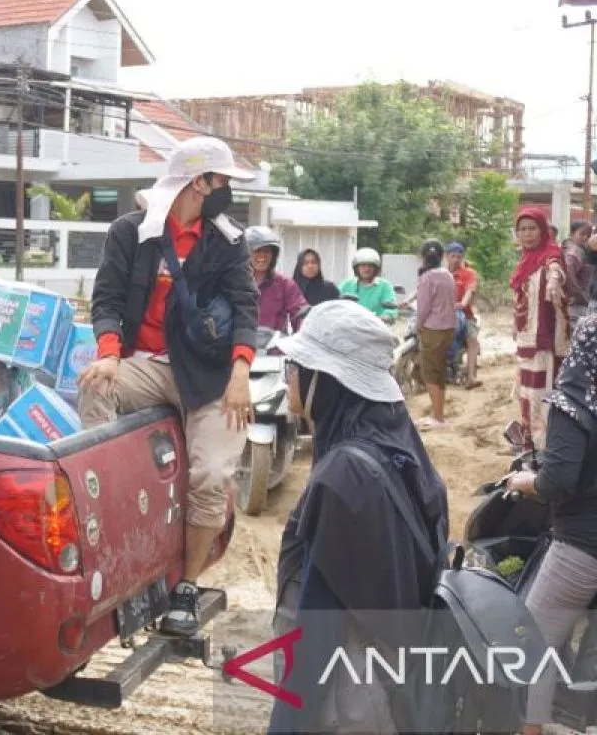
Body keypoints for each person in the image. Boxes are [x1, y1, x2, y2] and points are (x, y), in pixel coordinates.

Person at [78, 135, 259, 637]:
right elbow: (107, 299)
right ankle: (109, 519)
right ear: (199, 182)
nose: (227, 190)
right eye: (222, 181)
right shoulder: (131, 232)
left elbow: (246, 308)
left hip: (211, 375)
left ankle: (188, 585)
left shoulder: (228, 241)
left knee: (210, 475)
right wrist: (109, 354)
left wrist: (241, 371)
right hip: (147, 365)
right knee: (95, 387)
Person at [267, 299, 450, 733]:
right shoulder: (398, 442)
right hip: (397, 687)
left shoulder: (344, 476)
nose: (288, 377)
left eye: (295, 366)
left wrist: (285, 725)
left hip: (352, 705)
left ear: (325, 380)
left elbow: (316, 631)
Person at [504, 314, 597, 735]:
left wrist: (524, 481)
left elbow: (557, 481)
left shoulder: (574, 402)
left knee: (531, 642)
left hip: (582, 546)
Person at [511, 206, 570, 450]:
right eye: (522, 229)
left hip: (544, 340)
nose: (527, 234)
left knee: (541, 393)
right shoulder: (525, 260)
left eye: (532, 228)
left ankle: (544, 447)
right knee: (527, 393)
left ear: (542, 230)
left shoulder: (550, 253)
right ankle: (530, 442)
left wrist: (554, 281)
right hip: (526, 339)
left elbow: (556, 268)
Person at [414, 239, 456, 429]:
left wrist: (418, 326)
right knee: (440, 372)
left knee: (430, 373)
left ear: (422, 257)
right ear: (442, 256)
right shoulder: (447, 275)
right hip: (448, 329)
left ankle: (438, 418)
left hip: (432, 330)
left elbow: (423, 308)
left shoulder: (426, 278)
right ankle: (440, 415)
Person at [245, 225, 307, 333]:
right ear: (246, 253)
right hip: (241, 342)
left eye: (267, 251)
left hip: (274, 342)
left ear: (273, 255)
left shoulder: (285, 284)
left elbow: (300, 313)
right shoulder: (236, 283)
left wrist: (304, 329)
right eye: (257, 251)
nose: (262, 256)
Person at [445, 241, 482, 390]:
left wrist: (462, 303)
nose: (455, 259)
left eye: (458, 256)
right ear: (446, 257)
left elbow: (470, 290)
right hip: (441, 314)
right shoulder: (440, 273)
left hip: (464, 315)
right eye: (452, 256)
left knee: (472, 339)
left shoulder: (469, 273)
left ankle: (471, 377)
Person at [339, 247, 398, 323]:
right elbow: (334, 304)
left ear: (376, 268)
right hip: (349, 325)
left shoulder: (384, 286)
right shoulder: (346, 285)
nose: (366, 269)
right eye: (363, 265)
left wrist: (385, 317)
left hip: (376, 326)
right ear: (357, 268)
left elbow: (392, 310)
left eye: (370, 266)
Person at [563, 220, 593, 327]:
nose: (586, 238)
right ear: (572, 234)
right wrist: (580, 296)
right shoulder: (574, 252)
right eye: (582, 234)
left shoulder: (577, 249)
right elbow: (568, 273)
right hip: (576, 305)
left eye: (589, 235)